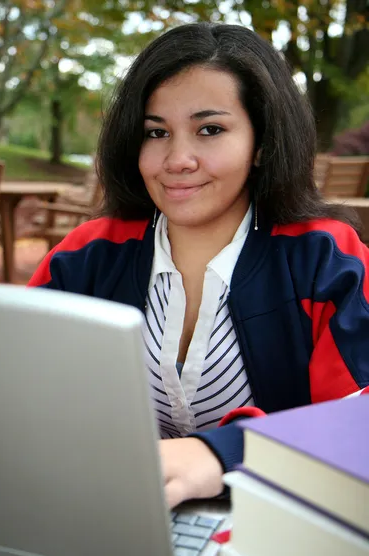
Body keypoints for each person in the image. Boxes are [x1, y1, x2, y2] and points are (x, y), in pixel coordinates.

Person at [28, 23, 369, 509]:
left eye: (210, 129)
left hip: (276, 531)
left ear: (263, 144)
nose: (177, 158)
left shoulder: (329, 262)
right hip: (103, 515)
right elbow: (14, 389)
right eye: (156, 132)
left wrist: (222, 454)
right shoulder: (86, 257)